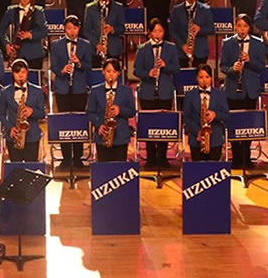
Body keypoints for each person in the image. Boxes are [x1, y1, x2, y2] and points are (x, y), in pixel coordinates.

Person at [219, 14, 267, 170]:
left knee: (247, 126)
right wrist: (233, 69)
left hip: (250, 90)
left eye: (245, 26)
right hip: (233, 89)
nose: (242, 29)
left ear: (249, 28)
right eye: (239, 26)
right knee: (234, 124)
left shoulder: (258, 43)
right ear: (235, 27)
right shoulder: (227, 43)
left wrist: (249, 61)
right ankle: (236, 158)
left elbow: (260, 66)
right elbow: (222, 66)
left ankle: (246, 157)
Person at [49, 14, 94, 168]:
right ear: (64, 29)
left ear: (78, 29)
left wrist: (79, 63)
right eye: (69, 28)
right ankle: (66, 157)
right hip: (62, 89)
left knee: (78, 123)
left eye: (75, 28)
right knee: (64, 123)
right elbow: (53, 66)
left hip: (79, 89)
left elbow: (89, 66)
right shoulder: (55, 45)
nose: (72, 31)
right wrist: (62, 70)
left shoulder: (86, 45)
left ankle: (78, 157)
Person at [134, 18, 180, 169]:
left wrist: (165, 66)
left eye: (160, 31)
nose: (157, 34)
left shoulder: (171, 48)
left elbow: (176, 69)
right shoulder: (142, 48)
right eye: (154, 31)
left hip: (164, 92)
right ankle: (151, 158)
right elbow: (136, 70)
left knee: (163, 126)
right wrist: (148, 73)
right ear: (149, 33)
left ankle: (163, 158)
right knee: (149, 126)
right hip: (147, 92)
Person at [87, 58, 135, 162]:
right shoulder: (95, 90)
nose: (111, 75)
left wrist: (120, 110)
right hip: (102, 136)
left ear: (118, 73)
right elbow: (90, 112)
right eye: (108, 71)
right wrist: (99, 125)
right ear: (103, 72)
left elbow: (132, 111)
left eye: (114, 71)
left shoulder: (126, 91)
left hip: (121, 137)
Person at [1, 59, 46, 162]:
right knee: (15, 169)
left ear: (27, 72)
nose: (20, 75)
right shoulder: (5, 92)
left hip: (32, 137)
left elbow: (42, 114)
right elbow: (1, 114)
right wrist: (10, 128)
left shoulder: (37, 90)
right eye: (17, 72)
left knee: (32, 169)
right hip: (14, 136)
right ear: (12, 74)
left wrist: (32, 111)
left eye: (23, 72)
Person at [182, 64, 228, 161]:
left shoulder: (220, 94)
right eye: (201, 77)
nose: (204, 80)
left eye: (207, 77)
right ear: (196, 78)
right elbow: (186, 117)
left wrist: (215, 115)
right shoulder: (190, 95)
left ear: (211, 78)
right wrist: (198, 132)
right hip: (196, 140)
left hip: (215, 139)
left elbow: (226, 115)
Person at [0, 0, 48, 69]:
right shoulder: (11, 10)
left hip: (35, 53)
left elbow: (44, 31)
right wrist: (7, 44)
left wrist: (30, 35)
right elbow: (1, 29)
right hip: (18, 52)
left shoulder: (38, 11)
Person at [169, 0, 215, 67]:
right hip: (181, 52)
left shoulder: (205, 9)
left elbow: (212, 29)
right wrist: (182, 46)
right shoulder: (176, 10)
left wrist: (200, 29)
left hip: (200, 52)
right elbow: (172, 31)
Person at [83, 0, 126, 68]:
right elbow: (86, 30)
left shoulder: (118, 7)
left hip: (113, 49)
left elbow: (122, 28)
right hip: (96, 49)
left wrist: (113, 29)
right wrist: (96, 44)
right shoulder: (90, 8)